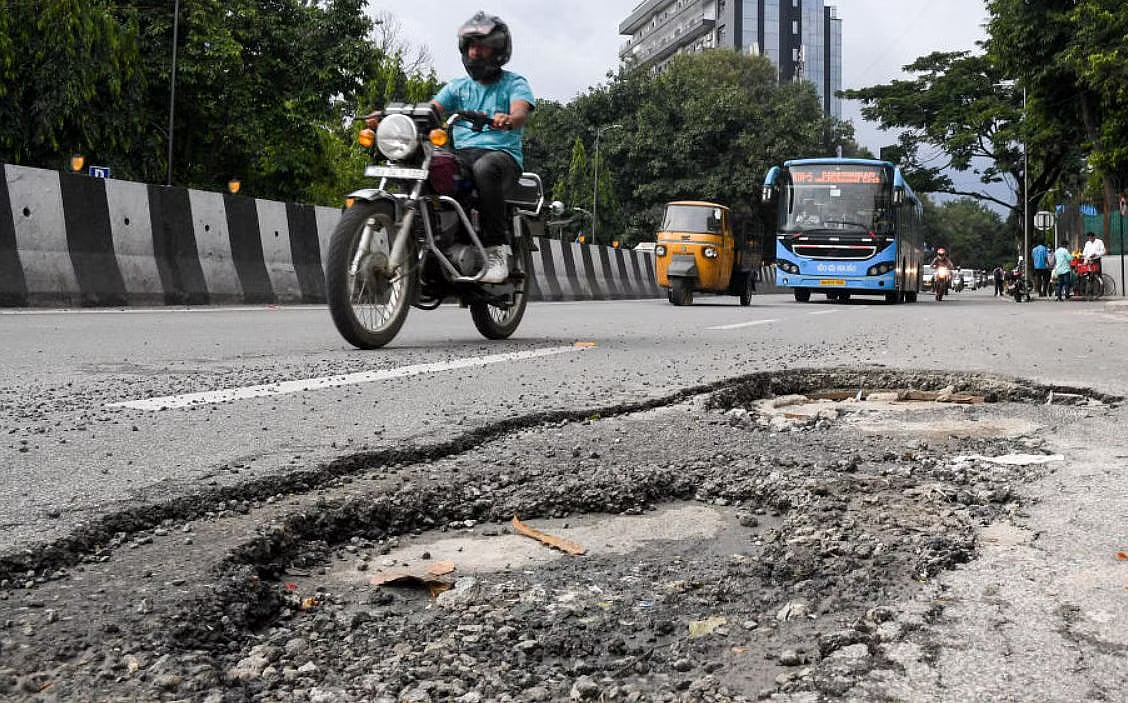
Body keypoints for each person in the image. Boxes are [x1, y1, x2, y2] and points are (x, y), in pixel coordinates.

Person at [430, 12, 536, 283]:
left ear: (499, 50)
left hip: (502, 157)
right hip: (463, 156)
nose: (476, 53)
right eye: (471, 47)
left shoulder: (514, 83)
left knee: (484, 168)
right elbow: (433, 109)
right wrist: (395, 116)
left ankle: (495, 249)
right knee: (432, 164)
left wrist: (510, 119)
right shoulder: (458, 87)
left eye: (483, 46)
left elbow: (521, 111)